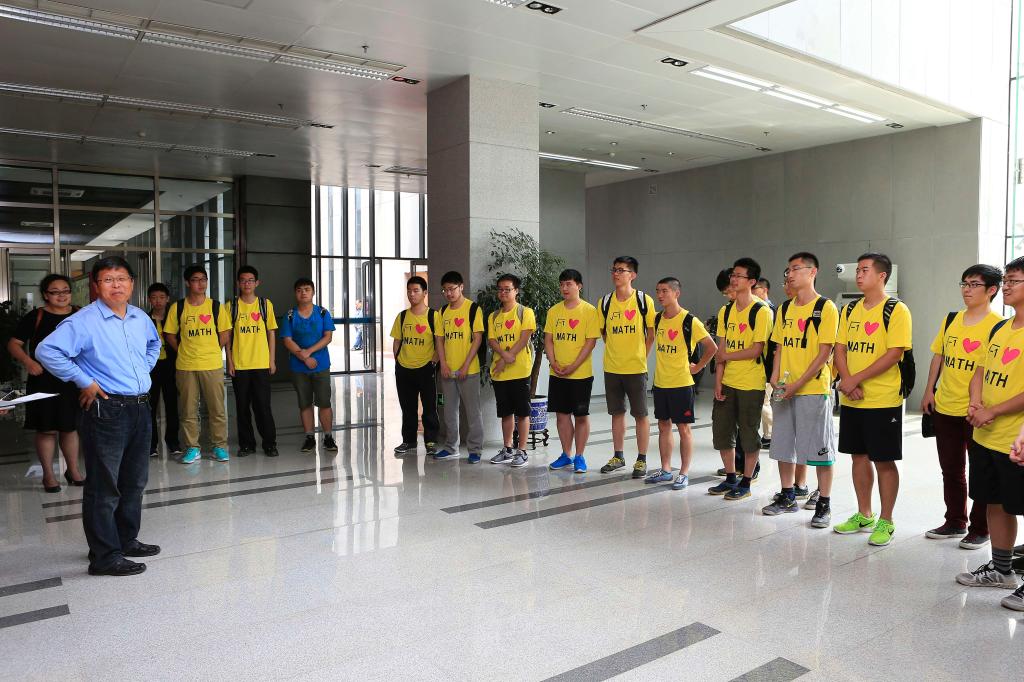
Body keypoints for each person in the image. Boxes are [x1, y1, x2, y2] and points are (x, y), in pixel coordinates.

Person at [36, 256, 161, 576]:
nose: (116, 285)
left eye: (121, 279)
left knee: (134, 481)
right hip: (107, 410)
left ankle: (125, 539)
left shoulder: (139, 317)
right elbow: (46, 351)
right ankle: (104, 556)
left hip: (140, 407)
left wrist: (143, 369)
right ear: (96, 286)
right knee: (104, 487)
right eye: (108, 280)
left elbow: (154, 344)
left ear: (132, 283)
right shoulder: (84, 320)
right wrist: (84, 381)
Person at [956, 257, 1024, 609]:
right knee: (995, 504)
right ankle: (1002, 570)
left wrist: (993, 411)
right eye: (1006, 280)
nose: (1007, 286)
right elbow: (980, 370)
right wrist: (975, 402)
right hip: (985, 435)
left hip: (1015, 440)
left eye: (1014, 281)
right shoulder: (1001, 329)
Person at [921, 264, 1003, 550]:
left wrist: (979, 403)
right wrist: (929, 390)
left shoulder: (998, 325)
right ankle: (955, 520)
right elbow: (938, 356)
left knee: (980, 472)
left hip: (976, 410)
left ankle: (981, 528)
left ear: (991, 290)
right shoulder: (951, 319)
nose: (967, 289)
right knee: (951, 468)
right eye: (964, 283)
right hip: (945, 406)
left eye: (974, 284)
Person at [833, 252, 912, 546]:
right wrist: (847, 380)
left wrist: (855, 379)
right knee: (858, 456)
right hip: (853, 398)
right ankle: (864, 513)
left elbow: (894, 354)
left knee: (884, 460)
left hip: (882, 399)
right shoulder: (850, 309)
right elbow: (840, 348)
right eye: (857, 270)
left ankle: (886, 520)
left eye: (865, 270)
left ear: (882, 276)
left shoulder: (897, 310)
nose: (858, 275)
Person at [760, 253, 838, 528]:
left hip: (812, 388)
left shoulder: (825, 308)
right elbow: (779, 347)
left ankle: (824, 503)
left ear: (812, 272)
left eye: (795, 269)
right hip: (785, 388)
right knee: (783, 444)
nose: (790, 275)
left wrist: (798, 384)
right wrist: (775, 377)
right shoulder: (784, 309)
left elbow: (824, 353)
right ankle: (788, 495)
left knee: (820, 448)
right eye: (788, 270)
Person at [7, 274, 83, 492]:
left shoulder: (80, 314)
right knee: (47, 429)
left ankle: (73, 471)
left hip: (72, 379)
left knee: (70, 428)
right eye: (55, 292)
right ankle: (48, 475)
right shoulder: (36, 316)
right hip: (43, 380)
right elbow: (13, 344)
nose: (62, 296)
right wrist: (28, 362)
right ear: (45, 295)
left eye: (65, 291)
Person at [708, 257, 772, 501]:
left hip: (751, 383)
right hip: (728, 382)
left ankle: (746, 481)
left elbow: (756, 350)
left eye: (739, 276)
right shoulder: (725, 311)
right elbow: (721, 350)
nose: (733, 279)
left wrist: (726, 355)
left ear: (752, 281)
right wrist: (718, 382)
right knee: (722, 432)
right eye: (732, 275)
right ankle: (730, 477)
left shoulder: (761, 311)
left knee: (748, 434)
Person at [644, 277, 716, 490]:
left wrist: (698, 366)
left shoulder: (689, 321)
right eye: (658, 291)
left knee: (683, 429)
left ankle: (684, 473)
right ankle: (666, 469)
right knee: (663, 426)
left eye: (664, 291)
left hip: (682, 384)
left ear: (676, 293)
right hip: (661, 383)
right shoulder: (657, 319)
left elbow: (712, 347)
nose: (660, 295)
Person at [163, 264, 231, 464]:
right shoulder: (178, 307)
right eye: (195, 280)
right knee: (188, 410)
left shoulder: (215, 306)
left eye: (203, 279)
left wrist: (212, 349)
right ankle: (192, 447)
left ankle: (219, 446)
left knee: (216, 409)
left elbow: (225, 333)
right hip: (186, 366)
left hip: (212, 364)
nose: (200, 284)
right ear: (187, 283)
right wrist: (182, 350)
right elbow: (169, 334)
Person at [598, 256, 657, 479]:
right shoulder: (604, 302)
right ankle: (618, 456)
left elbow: (651, 333)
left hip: (636, 368)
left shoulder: (644, 301)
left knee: (640, 414)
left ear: (632, 275)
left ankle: (641, 459)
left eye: (621, 270)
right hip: (612, 368)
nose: (616, 273)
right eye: (614, 269)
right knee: (617, 413)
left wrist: (641, 355)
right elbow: (604, 333)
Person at [545, 269, 600, 474]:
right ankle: (566, 454)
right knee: (562, 415)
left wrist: (574, 366)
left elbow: (590, 342)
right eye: (562, 284)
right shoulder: (554, 311)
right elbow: (548, 339)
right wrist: (553, 362)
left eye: (569, 284)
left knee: (581, 415)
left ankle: (579, 456)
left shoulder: (589, 311)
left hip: (580, 374)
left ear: (579, 286)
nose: (564, 288)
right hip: (557, 373)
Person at [226, 266, 279, 457]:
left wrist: (272, 360)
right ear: (238, 283)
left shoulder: (265, 304)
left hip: (261, 364)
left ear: (257, 283)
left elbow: (271, 333)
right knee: (242, 407)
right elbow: (227, 337)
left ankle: (269, 443)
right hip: (240, 365)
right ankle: (246, 444)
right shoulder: (231, 306)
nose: (246, 283)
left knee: (263, 406)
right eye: (243, 280)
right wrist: (230, 362)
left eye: (250, 280)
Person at [280, 277, 337, 453]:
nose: (303, 293)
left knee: (324, 402)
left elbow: (328, 337)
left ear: (313, 292)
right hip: (299, 367)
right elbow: (287, 340)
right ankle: (309, 437)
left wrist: (309, 352)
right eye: (299, 290)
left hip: (321, 365)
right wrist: (304, 357)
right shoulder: (290, 315)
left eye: (307, 289)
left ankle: (328, 437)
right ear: (295, 293)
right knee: (304, 403)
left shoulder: (322, 313)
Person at [433, 271, 485, 462]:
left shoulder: (473, 309)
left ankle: (475, 450)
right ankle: (451, 447)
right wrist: (443, 365)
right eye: (445, 290)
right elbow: (440, 340)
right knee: (449, 412)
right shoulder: (442, 312)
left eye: (451, 289)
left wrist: (465, 366)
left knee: (473, 412)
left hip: (469, 370)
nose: (448, 293)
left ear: (461, 287)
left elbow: (477, 339)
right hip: (448, 371)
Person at [487, 274, 537, 468]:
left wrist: (507, 357)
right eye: (500, 289)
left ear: (516, 291)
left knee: (523, 413)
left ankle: (521, 451)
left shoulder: (525, 312)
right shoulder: (494, 316)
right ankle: (507, 449)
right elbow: (492, 340)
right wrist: (503, 357)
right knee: (505, 412)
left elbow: (524, 338)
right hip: (500, 373)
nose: (503, 292)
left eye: (507, 289)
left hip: (521, 371)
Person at [390, 276, 440, 456]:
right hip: (404, 369)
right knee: (407, 408)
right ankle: (409, 441)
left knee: (429, 407)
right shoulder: (402, 316)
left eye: (416, 290)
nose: (412, 294)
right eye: (409, 291)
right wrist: (398, 360)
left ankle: (431, 441)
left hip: (426, 368)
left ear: (425, 293)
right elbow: (397, 341)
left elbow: (439, 343)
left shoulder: (434, 316)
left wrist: (433, 362)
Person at [146, 283, 181, 459]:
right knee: (150, 407)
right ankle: (151, 444)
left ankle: (173, 441)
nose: (158, 301)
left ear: (167, 299)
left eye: (161, 297)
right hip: (151, 368)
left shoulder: (174, 318)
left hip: (171, 366)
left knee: (172, 405)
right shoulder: (144, 319)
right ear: (149, 300)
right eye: (154, 298)